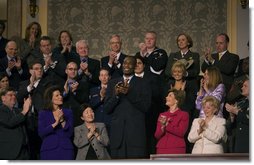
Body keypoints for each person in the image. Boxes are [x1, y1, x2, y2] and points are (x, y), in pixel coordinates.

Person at [104, 56, 151, 159]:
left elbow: (146, 107)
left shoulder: (144, 82)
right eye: (124, 63)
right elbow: (107, 109)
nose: (126, 65)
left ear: (134, 66)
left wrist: (129, 93)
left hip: (135, 136)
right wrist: (115, 95)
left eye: (130, 63)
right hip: (118, 136)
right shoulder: (113, 83)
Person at [17, 60, 55, 159]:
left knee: (42, 147)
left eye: (41, 68)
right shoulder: (23, 84)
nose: (39, 71)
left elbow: (48, 96)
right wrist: (30, 86)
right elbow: (19, 98)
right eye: (36, 69)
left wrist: (35, 84)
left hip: (42, 119)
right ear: (30, 71)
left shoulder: (47, 82)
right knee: (30, 149)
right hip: (27, 121)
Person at [162, 60, 197, 153]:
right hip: (171, 117)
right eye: (175, 71)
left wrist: (183, 92)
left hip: (184, 116)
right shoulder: (168, 84)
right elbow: (164, 102)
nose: (177, 74)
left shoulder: (190, 85)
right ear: (172, 73)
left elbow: (192, 104)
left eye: (179, 71)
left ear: (184, 73)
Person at [134, 55, 163, 156]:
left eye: (139, 63)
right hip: (134, 117)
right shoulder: (128, 79)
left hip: (150, 115)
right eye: (135, 63)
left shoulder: (153, 78)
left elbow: (157, 95)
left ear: (144, 65)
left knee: (150, 144)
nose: (137, 65)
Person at [38, 86, 74, 160]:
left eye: (60, 95)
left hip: (66, 150)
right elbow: (41, 132)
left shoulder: (68, 112)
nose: (60, 97)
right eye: (57, 95)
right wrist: (55, 123)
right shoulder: (43, 113)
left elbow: (69, 133)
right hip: (49, 150)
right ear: (50, 98)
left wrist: (62, 120)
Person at [0, 87, 32, 159]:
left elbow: (30, 126)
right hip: (10, 153)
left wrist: (28, 111)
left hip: (24, 151)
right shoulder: (1, 111)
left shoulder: (19, 111)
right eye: (10, 95)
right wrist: (24, 111)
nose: (14, 97)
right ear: (3, 98)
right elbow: (10, 122)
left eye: (14, 95)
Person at [154, 89, 189, 154]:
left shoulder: (183, 114)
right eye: (167, 96)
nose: (166, 97)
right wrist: (162, 127)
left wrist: (167, 124)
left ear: (176, 100)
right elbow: (157, 135)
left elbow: (181, 132)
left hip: (176, 148)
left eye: (170, 96)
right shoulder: (162, 115)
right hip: (161, 148)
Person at [225, 78, 249, 153]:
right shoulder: (241, 103)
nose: (242, 88)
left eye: (245, 86)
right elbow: (230, 128)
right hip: (238, 143)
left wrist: (236, 111)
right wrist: (232, 117)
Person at [63, 61, 90, 127]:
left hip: (78, 119)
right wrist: (65, 93)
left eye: (75, 69)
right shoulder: (60, 84)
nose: (73, 71)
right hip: (63, 118)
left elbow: (85, 101)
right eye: (70, 69)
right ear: (66, 71)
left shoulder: (83, 84)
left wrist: (74, 92)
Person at [89, 68, 111, 133]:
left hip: (110, 121)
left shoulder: (114, 90)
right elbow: (91, 105)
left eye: (106, 75)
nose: (104, 77)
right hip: (97, 120)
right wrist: (101, 98)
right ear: (99, 77)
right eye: (102, 75)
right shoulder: (93, 90)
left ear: (109, 77)